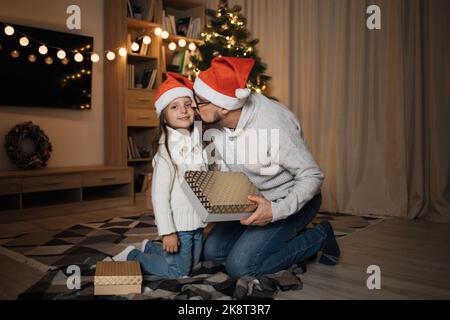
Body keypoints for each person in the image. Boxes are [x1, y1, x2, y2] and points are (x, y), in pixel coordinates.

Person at [191, 57, 341, 278]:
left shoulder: (272, 123)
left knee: (241, 267)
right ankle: (271, 242)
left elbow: (312, 175)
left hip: (288, 200)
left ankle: (320, 236)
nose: (193, 105)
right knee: (213, 253)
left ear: (224, 107)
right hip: (250, 200)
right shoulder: (213, 122)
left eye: (200, 101)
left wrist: (275, 211)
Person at [113, 73, 208, 279]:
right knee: (179, 272)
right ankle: (133, 255)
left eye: (187, 104)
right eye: (174, 107)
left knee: (195, 265)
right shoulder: (166, 153)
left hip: (198, 221)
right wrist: (168, 232)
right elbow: (159, 197)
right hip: (179, 224)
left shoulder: (197, 142)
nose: (183, 110)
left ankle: (151, 248)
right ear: (163, 116)